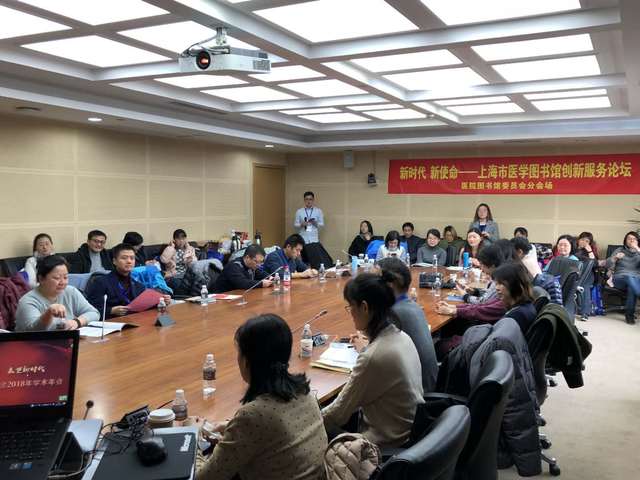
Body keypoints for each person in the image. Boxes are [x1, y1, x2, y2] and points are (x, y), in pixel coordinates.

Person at [195, 314, 328, 480]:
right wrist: (233, 428)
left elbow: (204, 478)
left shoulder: (253, 415)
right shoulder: (304, 392)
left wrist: (194, 437)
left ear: (247, 361)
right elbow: (274, 431)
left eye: (239, 352)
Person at [322, 273, 424, 448]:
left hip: (383, 445)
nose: (350, 313)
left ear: (364, 307)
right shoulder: (402, 336)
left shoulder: (373, 357)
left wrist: (305, 422)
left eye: (350, 306)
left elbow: (338, 413)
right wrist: (366, 348)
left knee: (317, 429)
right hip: (410, 433)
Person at [378, 257, 438, 393]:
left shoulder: (394, 314)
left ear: (389, 285)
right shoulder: (413, 306)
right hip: (427, 385)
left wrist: (362, 348)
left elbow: (375, 358)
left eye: (376, 281)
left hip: (414, 393)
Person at [15, 255, 100, 331]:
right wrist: (48, 313)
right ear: (41, 279)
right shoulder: (28, 301)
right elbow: (33, 331)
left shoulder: (70, 291)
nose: (62, 282)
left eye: (65, 277)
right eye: (57, 278)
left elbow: (94, 313)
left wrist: (76, 322)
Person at [85, 243, 170, 319]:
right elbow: (90, 310)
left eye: (132, 258)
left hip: (134, 322)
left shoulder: (138, 285)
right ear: (114, 261)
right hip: (111, 324)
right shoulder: (101, 282)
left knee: (165, 323)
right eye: (124, 258)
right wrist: (110, 311)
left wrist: (161, 301)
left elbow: (145, 305)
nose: (129, 261)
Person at [492, 262, 537, 333]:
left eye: (501, 283)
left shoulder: (517, 316)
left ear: (514, 284)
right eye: (496, 284)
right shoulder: (523, 307)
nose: (497, 288)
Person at [606, 231, 640, 324]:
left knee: (631, 287)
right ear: (625, 240)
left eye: (634, 239)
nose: (631, 240)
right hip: (619, 278)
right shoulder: (619, 250)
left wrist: (637, 248)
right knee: (628, 277)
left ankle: (629, 316)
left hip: (636, 280)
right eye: (629, 238)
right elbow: (607, 265)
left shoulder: (639, 252)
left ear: (638, 241)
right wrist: (615, 258)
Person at [575, 232, 599, 321]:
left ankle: (585, 313)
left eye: (587, 241)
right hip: (574, 274)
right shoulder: (572, 248)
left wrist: (589, 251)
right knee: (583, 284)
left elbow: (595, 264)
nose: (584, 242)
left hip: (588, 276)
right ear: (578, 240)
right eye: (582, 240)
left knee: (585, 285)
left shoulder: (590, 252)